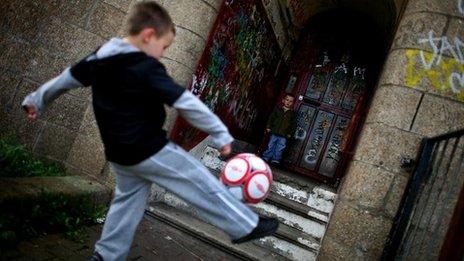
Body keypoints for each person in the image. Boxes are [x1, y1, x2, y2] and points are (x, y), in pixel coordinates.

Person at [21, 2, 278, 260]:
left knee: (127, 202)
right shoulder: (145, 66)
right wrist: (220, 133)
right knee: (198, 179)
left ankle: (106, 256)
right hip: (147, 148)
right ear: (147, 36)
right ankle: (245, 225)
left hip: (119, 154)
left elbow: (67, 78)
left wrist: (37, 99)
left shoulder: (99, 58)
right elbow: (185, 102)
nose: (162, 55)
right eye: (163, 47)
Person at [262, 94, 296, 165]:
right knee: (270, 145)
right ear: (283, 100)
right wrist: (268, 127)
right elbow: (271, 118)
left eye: (291, 101)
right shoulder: (278, 109)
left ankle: (276, 159)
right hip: (274, 131)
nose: (288, 102)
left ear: (293, 103)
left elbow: (293, 125)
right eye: (287, 100)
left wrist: (290, 133)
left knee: (280, 147)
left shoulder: (292, 114)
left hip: (284, 134)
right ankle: (267, 157)